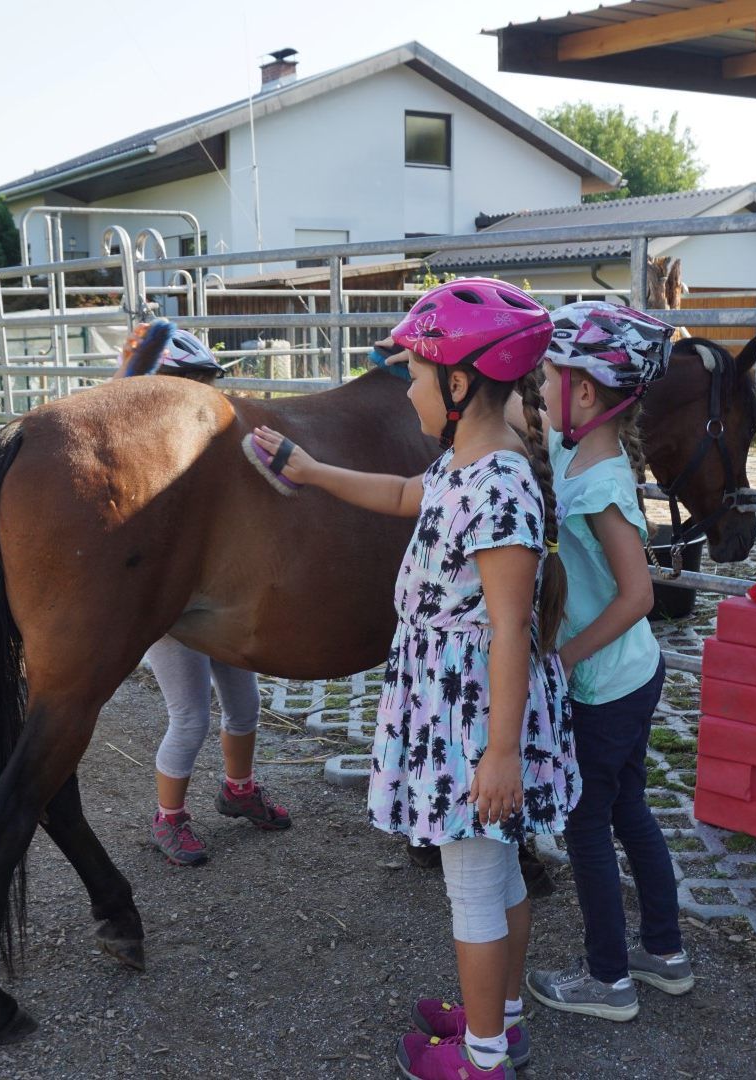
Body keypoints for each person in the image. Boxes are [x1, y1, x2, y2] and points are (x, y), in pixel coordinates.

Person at [252, 279, 578, 1080]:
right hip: (460, 705)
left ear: (460, 386)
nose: (410, 390)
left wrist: (500, 754)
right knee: (496, 871)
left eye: (418, 376)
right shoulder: (462, 465)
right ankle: (499, 1017)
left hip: (474, 720)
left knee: (472, 883)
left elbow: (510, 627)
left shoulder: (499, 490)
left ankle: (483, 1059)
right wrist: (313, 470)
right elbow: (403, 494)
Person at [524, 301, 693, 1022]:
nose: (539, 391)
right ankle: (665, 953)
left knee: (587, 823)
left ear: (585, 392)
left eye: (547, 379)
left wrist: (563, 659)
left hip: (605, 682)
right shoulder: (579, 447)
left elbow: (638, 593)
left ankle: (608, 980)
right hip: (629, 673)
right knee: (629, 807)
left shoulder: (598, 487)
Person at [124, 325, 292, 866]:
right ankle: (167, 819)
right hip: (169, 611)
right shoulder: (137, 455)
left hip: (216, 598)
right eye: (189, 387)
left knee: (246, 705)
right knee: (190, 716)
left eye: (205, 387)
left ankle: (238, 789)